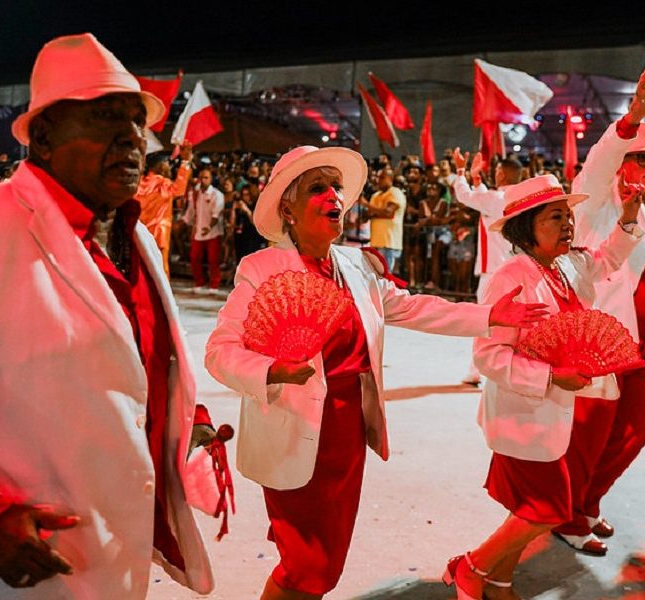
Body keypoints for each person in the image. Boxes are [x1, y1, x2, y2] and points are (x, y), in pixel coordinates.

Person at [0, 33, 214, 598]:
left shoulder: (138, 243)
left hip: (115, 557)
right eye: (108, 118)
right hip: (15, 570)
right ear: (44, 136)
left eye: (137, 123)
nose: (133, 139)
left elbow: (129, 368)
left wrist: (185, 416)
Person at [204, 145, 548, 600]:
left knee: (324, 562)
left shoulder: (354, 265)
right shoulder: (261, 269)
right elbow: (219, 351)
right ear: (287, 208)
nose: (334, 197)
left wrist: (488, 317)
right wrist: (271, 370)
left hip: (347, 434)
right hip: (291, 427)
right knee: (309, 566)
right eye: (317, 188)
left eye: (336, 188)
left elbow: (413, 307)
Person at [443, 173, 643, 599]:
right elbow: (488, 356)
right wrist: (550, 376)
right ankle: (471, 567)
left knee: (527, 507)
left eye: (568, 214)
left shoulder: (564, 267)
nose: (568, 223)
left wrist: (627, 221)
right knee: (546, 509)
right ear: (527, 226)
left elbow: (604, 261)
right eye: (556, 216)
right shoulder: (512, 277)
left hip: (555, 414)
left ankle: (499, 583)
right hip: (523, 415)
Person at [557, 61, 645, 555]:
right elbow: (599, 161)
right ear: (622, 163)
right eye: (643, 160)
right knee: (590, 435)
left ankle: (588, 501)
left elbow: (642, 261)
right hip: (603, 341)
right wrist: (631, 120)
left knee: (636, 428)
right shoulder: (595, 202)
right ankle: (568, 516)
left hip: (643, 341)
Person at [452, 150, 523, 384]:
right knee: (511, 323)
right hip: (515, 269)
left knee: (483, 321)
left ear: (501, 174)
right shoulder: (517, 199)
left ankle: (476, 370)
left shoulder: (497, 199)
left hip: (493, 271)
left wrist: (461, 172)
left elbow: (465, 197)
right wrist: (477, 180)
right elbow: (484, 203)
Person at [135, 142, 193, 276]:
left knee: (140, 266)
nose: (169, 166)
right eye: (167, 163)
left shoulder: (138, 182)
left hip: (139, 231)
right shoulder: (162, 183)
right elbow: (179, 190)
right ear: (160, 166)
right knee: (159, 267)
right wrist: (185, 162)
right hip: (158, 232)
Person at [183, 167, 225, 293]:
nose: (203, 180)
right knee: (194, 257)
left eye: (206, 177)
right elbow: (191, 211)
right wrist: (186, 223)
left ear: (211, 179)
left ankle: (214, 285)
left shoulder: (217, 195)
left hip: (213, 232)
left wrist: (209, 227)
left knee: (213, 259)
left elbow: (216, 215)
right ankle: (199, 282)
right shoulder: (194, 194)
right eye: (201, 177)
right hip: (198, 231)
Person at [360, 167, 405, 273]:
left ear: (390, 178)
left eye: (381, 177)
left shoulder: (395, 192)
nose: (377, 180)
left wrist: (367, 205)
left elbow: (389, 213)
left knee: (386, 276)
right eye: (377, 177)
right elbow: (368, 215)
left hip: (389, 243)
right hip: (375, 242)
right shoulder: (375, 195)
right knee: (375, 275)